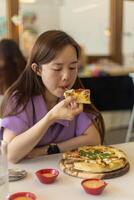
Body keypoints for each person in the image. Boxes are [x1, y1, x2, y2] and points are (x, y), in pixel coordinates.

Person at [0, 30, 105, 163]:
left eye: (73, 67)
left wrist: (46, 150)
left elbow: (93, 140)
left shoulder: (74, 96)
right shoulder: (19, 98)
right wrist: (51, 117)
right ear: (38, 69)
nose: (66, 76)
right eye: (57, 68)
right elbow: (10, 155)